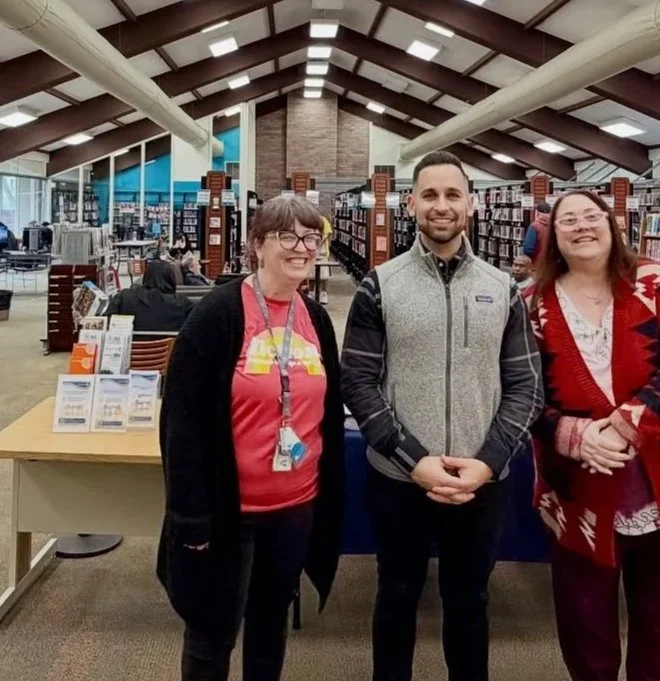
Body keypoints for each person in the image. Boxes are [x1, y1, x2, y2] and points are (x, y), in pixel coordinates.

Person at [341, 150, 544, 681]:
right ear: (410, 204)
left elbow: (526, 385)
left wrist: (488, 461)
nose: (441, 205)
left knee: (469, 600)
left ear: (471, 205)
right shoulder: (379, 285)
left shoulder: (503, 289)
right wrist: (414, 461)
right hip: (398, 479)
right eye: (429, 195)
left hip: (480, 481)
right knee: (396, 595)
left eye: (453, 194)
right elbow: (357, 382)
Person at [528, 189, 660, 681]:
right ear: (552, 235)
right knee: (584, 624)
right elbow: (521, 393)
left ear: (612, 225)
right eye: (569, 220)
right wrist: (573, 435)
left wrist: (624, 425)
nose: (582, 227)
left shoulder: (653, 282)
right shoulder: (532, 304)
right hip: (578, 488)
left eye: (592, 216)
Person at [157, 196, 345, 681]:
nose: (302, 247)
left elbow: (327, 413)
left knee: (269, 623)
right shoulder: (217, 314)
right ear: (257, 245)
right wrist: (189, 516)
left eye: (311, 237)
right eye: (287, 236)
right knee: (212, 632)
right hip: (229, 512)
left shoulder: (316, 318)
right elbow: (180, 421)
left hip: (295, 506)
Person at [105, 260, 193, 332]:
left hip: (132, 347)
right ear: (171, 279)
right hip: (170, 347)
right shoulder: (183, 304)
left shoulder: (124, 297)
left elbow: (104, 323)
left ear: (146, 276)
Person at [316, 214, 333, 304]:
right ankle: (311, 293)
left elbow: (326, 235)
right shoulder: (307, 220)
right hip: (311, 253)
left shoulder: (323, 220)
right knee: (311, 276)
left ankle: (324, 294)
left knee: (324, 276)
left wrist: (317, 243)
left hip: (322, 253)